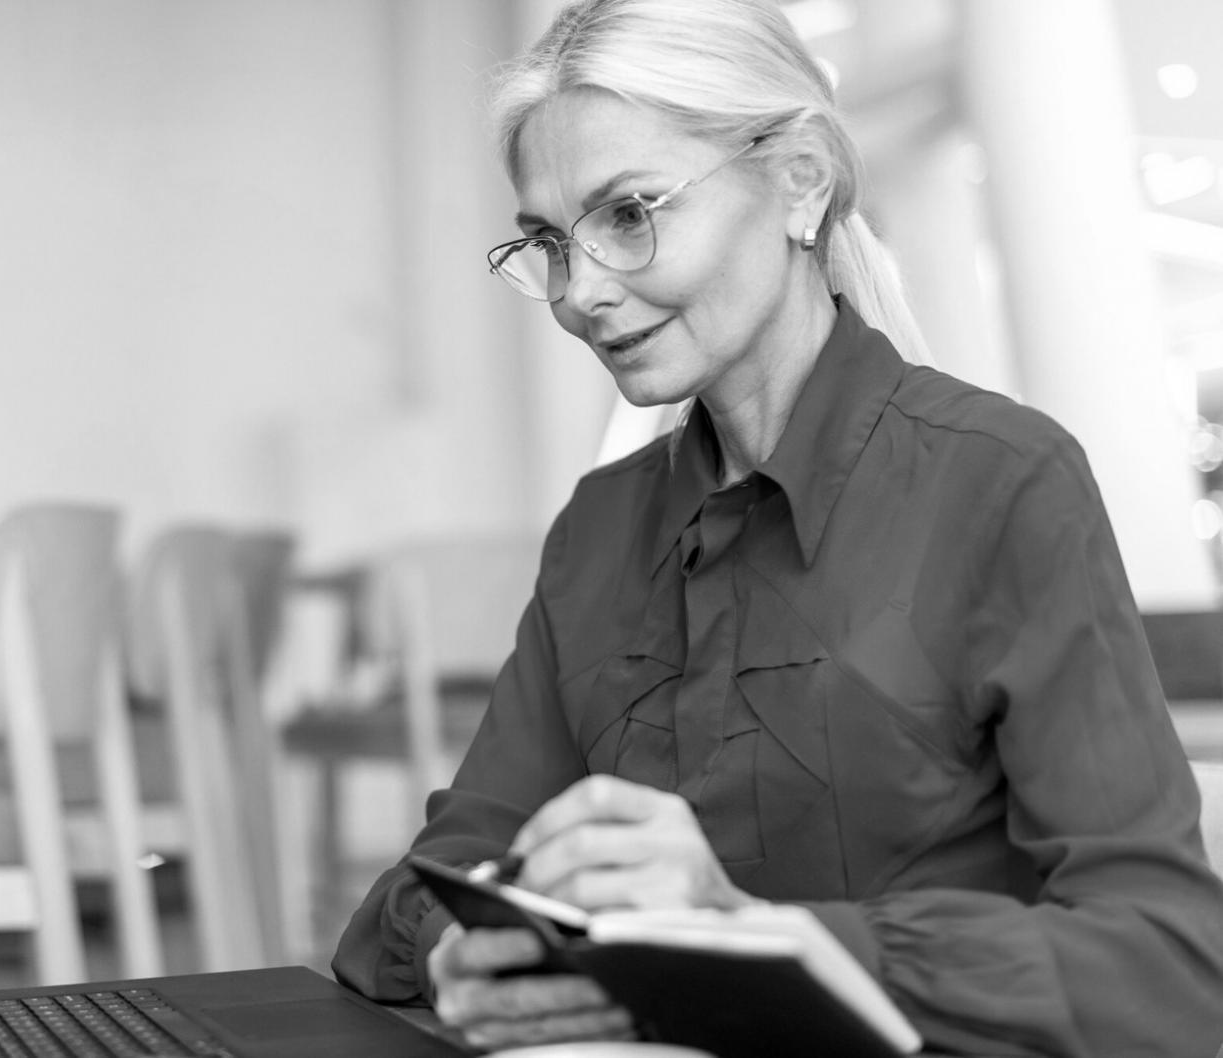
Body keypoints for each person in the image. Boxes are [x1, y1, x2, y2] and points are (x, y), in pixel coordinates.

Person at [331, 0, 1223, 1054]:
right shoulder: (599, 529)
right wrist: (464, 951)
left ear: (799, 178)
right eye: (546, 241)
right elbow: (423, 888)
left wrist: (762, 940)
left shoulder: (1001, 480)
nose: (581, 293)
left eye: (628, 213)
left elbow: (1170, 963)